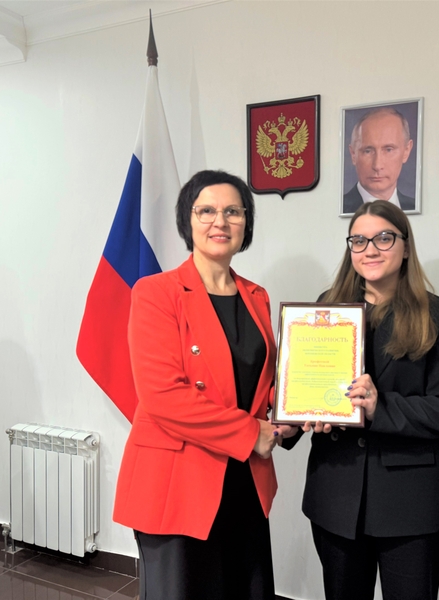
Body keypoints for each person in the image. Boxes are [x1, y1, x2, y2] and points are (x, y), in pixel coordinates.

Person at [283, 201, 439, 600]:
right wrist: (294, 419)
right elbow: (310, 387)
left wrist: (379, 407)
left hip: (409, 505)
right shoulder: (325, 310)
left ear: (406, 246)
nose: (370, 249)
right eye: (359, 240)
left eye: (384, 238)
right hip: (336, 498)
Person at [113, 170, 282, 600]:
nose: (219, 222)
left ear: (246, 223)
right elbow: (163, 396)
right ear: (187, 221)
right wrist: (251, 433)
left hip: (244, 481)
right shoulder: (155, 293)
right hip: (179, 483)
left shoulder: (257, 296)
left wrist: (298, 413)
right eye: (206, 211)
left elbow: (262, 384)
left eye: (233, 212)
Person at [342, 107, 416, 214]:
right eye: (367, 151)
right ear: (353, 154)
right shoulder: (333, 208)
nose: (377, 165)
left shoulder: (416, 207)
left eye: (389, 150)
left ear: (406, 151)